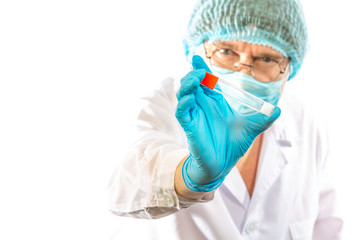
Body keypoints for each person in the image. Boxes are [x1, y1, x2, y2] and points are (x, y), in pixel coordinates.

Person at [108, 0, 343, 239]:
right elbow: (122, 186)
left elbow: (327, 228)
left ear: (290, 68)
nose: (243, 73)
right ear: (197, 50)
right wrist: (189, 177)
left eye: (267, 59)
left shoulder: (307, 125)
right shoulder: (161, 105)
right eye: (226, 51)